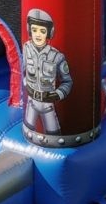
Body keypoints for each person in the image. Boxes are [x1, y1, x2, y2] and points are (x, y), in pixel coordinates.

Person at [23, 8, 72, 136]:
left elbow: (67, 82)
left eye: (42, 31)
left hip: (48, 104)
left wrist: (57, 95)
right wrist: (25, 83)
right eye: (34, 30)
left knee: (54, 135)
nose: (38, 34)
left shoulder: (56, 56)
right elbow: (22, 70)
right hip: (31, 102)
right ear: (29, 30)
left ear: (49, 33)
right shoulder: (26, 48)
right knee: (28, 131)